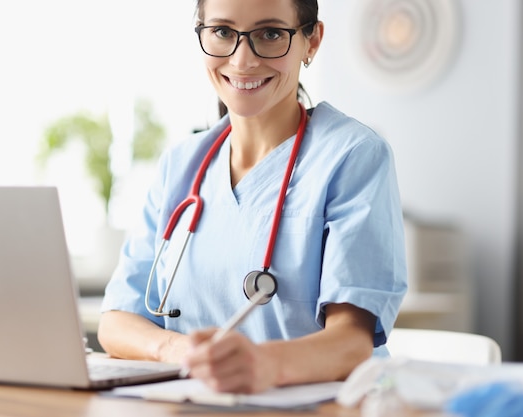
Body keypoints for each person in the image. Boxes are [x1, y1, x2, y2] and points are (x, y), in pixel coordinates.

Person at [98, 0, 407, 394]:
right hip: (198, 400)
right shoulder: (180, 165)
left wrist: (262, 365)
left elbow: (351, 342)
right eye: (224, 32)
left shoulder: (353, 156)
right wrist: (180, 352)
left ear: (311, 41)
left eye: (271, 34)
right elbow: (117, 320)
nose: (243, 60)